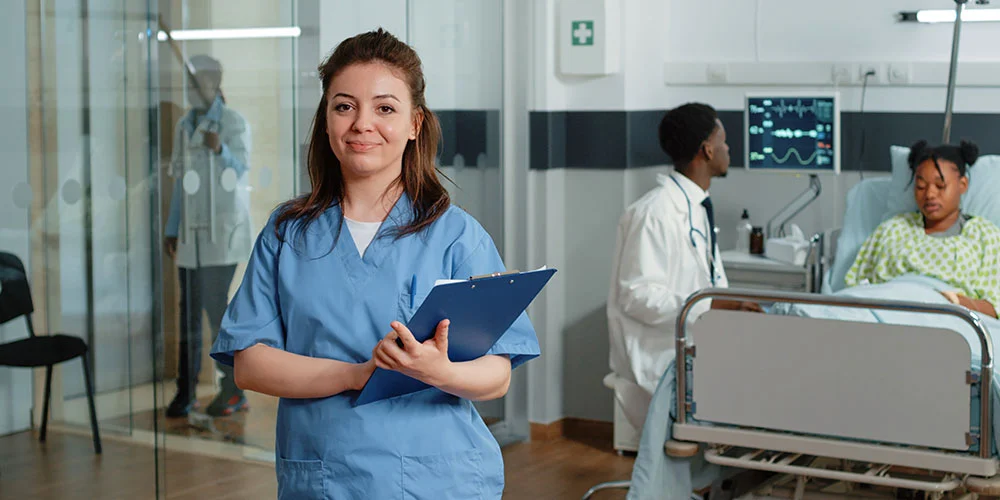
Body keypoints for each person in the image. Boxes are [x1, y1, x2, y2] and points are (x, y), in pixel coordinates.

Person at [209, 29, 539, 498]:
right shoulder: (287, 233)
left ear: (414, 124)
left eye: (385, 108)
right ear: (326, 121)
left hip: (437, 477)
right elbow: (250, 365)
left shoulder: (456, 235)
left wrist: (435, 371)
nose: (362, 123)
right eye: (344, 106)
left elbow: (498, 373)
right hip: (324, 476)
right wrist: (355, 374)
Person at [607, 103, 761, 430]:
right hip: (659, 364)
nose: (728, 149)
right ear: (706, 150)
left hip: (694, 351)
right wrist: (711, 305)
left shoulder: (695, 207)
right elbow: (636, 296)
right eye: (723, 141)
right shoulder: (654, 213)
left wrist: (726, 307)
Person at [163, 55, 253, 418]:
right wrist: (172, 228)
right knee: (187, 314)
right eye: (189, 83)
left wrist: (220, 148)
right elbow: (180, 183)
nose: (191, 89)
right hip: (191, 235)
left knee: (215, 308)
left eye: (197, 82)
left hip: (222, 235)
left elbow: (243, 167)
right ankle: (184, 392)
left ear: (214, 84)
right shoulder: (184, 125)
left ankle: (233, 389)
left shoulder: (232, 122)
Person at [846, 139, 1000, 318]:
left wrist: (956, 302)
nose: (929, 194)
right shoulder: (892, 230)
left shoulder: (985, 237)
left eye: (940, 186)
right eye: (920, 186)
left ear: (962, 185)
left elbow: (995, 308)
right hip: (884, 309)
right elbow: (856, 290)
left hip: (945, 316)